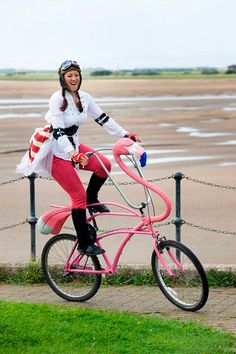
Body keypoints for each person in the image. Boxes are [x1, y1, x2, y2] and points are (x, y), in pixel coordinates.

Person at [19, 59, 141, 256]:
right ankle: (84, 242)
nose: (74, 78)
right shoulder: (57, 99)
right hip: (57, 151)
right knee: (78, 197)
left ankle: (93, 198)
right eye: (69, 75)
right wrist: (73, 154)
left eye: (76, 75)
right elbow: (58, 132)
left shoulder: (84, 97)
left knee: (104, 165)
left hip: (74, 145)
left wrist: (125, 135)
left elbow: (103, 118)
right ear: (63, 78)